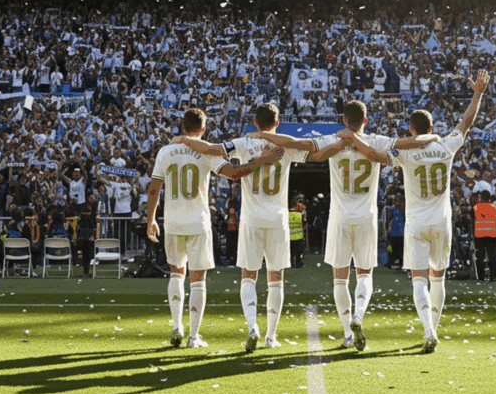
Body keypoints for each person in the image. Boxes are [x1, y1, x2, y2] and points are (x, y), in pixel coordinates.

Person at [256, 99, 435, 351]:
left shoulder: (334, 139)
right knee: (364, 274)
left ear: (343, 120)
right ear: (365, 120)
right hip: (366, 218)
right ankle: (358, 316)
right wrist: (432, 137)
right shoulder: (374, 140)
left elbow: (297, 143)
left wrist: (263, 134)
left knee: (340, 280)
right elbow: (407, 142)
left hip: (340, 218)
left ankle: (348, 334)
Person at [176, 102, 346, 353]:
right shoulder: (286, 145)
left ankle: (252, 327)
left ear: (255, 122)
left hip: (251, 219)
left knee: (249, 276)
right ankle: (271, 336)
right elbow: (316, 154)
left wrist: (183, 139)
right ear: (277, 123)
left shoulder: (244, 143)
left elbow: (213, 149)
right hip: (278, 219)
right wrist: (343, 143)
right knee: (276, 279)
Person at [146, 108, 285, 349]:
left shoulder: (165, 151)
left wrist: (151, 219)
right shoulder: (206, 152)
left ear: (182, 127)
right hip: (198, 222)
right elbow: (234, 173)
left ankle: (177, 327)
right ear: (203, 129)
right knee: (198, 280)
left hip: (173, 221)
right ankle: (193, 337)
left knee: (176, 273)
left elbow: (154, 188)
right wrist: (261, 161)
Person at [389, 69, 489, 353]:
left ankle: (428, 330)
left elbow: (378, 154)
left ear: (411, 130)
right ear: (432, 127)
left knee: (419, 279)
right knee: (438, 279)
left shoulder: (406, 151)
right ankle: (433, 329)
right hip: (442, 221)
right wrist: (477, 94)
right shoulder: (445, 146)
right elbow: (466, 122)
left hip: (417, 222)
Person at [473, 190, 496, 282]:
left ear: (481, 197)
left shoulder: (476, 208)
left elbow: (471, 219)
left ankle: (481, 276)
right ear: (489, 198)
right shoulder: (495, 208)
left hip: (479, 235)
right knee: (492, 256)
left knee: (480, 256)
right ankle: (493, 276)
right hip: (492, 234)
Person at [385, 197, 405, 270]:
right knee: (394, 249)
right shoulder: (393, 209)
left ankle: (400, 263)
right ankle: (393, 263)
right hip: (394, 232)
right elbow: (389, 220)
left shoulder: (404, 210)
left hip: (401, 233)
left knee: (400, 249)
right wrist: (388, 228)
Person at [288, 196, 306, 269]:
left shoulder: (286, 214)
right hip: (298, 236)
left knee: (290, 251)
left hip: (289, 236)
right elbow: (304, 223)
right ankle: (298, 263)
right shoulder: (299, 215)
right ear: (295, 206)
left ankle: (290, 263)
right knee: (298, 251)